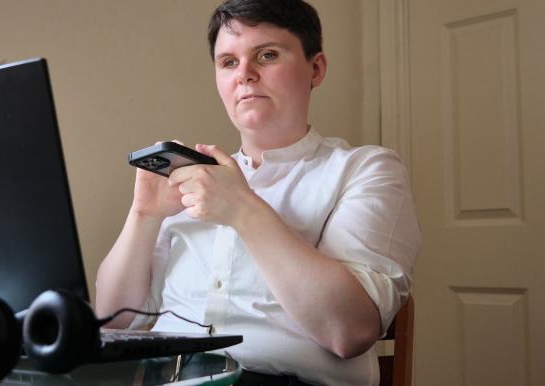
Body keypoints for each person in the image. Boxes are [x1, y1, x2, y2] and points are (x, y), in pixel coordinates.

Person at [95, 0, 421, 385]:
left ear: (315, 69)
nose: (245, 74)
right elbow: (112, 320)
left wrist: (243, 210)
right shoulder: (189, 183)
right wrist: (143, 216)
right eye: (228, 62)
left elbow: (348, 331)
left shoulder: (366, 170)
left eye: (266, 55)